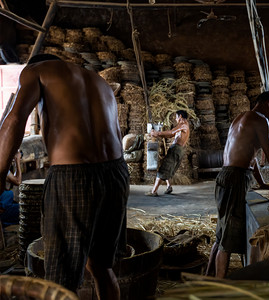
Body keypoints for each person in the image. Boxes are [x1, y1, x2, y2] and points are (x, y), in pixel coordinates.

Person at [0, 54, 129, 300]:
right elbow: (116, 131)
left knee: (60, 283)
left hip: (74, 177)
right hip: (116, 173)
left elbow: (14, 119)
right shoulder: (98, 81)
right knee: (102, 266)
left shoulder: (36, 71)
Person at [205, 91, 269, 278]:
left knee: (221, 234)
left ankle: (208, 275)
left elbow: (252, 157)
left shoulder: (241, 118)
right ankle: (219, 288)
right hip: (235, 179)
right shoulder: (260, 119)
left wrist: (262, 183)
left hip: (225, 177)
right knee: (227, 240)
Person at [145, 110, 190, 197]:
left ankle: (153, 191)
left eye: (176, 117)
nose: (175, 119)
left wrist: (157, 133)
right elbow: (170, 135)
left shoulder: (183, 124)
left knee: (164, 169)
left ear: (180, 116)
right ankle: (169, 186)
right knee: (168, 167)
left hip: (176, 149)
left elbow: (172, 132)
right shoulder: (184, 125)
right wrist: (158, 134)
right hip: (178, 149)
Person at [0, 150, 21, 227]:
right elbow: (18, 181)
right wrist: (17, 161)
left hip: (5, 205)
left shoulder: (2, 165)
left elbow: (16, 181)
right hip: (3, 209)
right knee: (24, 211)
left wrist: (16, 162)